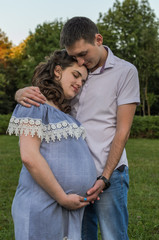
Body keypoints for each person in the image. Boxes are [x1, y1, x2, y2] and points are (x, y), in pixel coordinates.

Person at [15, 17, 140, 240]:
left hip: (107, 174)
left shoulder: (125, 72)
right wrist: (20, 92)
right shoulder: (75, 72)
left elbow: (122, 131)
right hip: (71, 187)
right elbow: (47, 95)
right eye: (74, 57)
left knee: (113, 236)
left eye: (83, 54)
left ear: (98, 39)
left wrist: (105, 177)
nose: (80, 61)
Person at [7, 49, 97, 240]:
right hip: (42, 205)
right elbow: (29, 157)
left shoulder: (67, 114)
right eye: (75, 75)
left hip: (70, 209)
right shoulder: (35, 103)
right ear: (57, 71)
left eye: (83, 80)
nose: (79, 83)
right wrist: (62, 198)